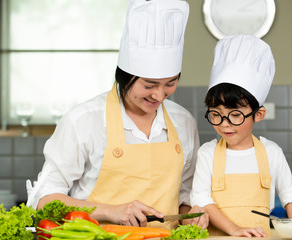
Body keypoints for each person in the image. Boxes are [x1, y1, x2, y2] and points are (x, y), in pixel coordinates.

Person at [26, 0, 208, 230]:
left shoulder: (183, 122)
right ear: (125, 76)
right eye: (149, 85)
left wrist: (191, 214)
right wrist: (109, 211)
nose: (160, 95)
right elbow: (44, 200)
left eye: (171, 83)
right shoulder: (84, 120)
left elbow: (184, 197)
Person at [189, 34, 292, 237]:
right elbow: (201, 199)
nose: (225, 124)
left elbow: (291, 198)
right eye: (216, 115)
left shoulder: (271, 152)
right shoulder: (208, 153)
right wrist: (235, 230)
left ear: (258, 115)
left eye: (235, 115)